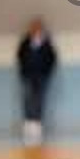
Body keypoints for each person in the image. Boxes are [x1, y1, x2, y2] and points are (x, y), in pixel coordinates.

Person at [17, 18, 57, 146]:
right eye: (33, 27)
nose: (36, 29)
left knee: (40, 99)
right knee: (28, 99)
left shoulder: (46, 43)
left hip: (42, 77)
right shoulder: (25, 41)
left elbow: (52, 58)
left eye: (38, 27)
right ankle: (28, 125)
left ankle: (37, 126)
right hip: (28, 76)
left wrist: (46, 73)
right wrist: (24, 71)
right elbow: (20, 56)